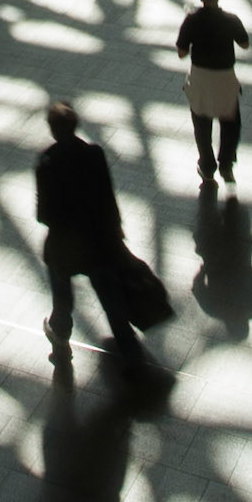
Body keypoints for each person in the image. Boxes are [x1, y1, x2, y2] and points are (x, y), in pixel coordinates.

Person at [35, 102, 144, 376]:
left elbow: (43, 214)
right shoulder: (94, 154)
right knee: (110, 298)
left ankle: (60, 341)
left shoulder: (46, 162)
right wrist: (116, 233)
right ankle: (130, 350)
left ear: (52, 130)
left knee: (62, 299)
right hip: (97, 242)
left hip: (62, 246)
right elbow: (108, 197)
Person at [177, 0, 250, 187]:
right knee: (230, 123)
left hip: (200, 79)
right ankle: (226, 163)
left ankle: (207, 167)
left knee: (202, 125)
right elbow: (245, 44)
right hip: (225, 79)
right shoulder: (231, 19)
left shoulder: (191, 20)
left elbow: (181, 53)